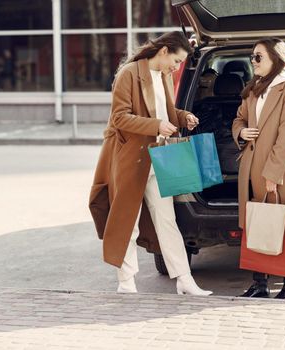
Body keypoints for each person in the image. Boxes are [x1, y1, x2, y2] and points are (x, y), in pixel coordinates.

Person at [88, 31, 212, 296]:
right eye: (176, 61)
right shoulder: (129, 74)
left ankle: (184, 280)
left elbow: (165, 112)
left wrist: (183, 117)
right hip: (131, 159)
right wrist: (156, 125)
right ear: (164, 50)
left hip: (159, 159)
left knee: (167, 221)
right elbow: (119, 118)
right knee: (127, 222)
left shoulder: (164, 76)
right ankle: (126, 281)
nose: (176, 67)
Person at [232, 37, 285, 300]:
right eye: (252, 57)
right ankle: (260, 283)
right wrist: (241, 131)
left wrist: (273, 175)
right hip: (253, 168)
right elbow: (239, 118)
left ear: (276, 57)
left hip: (280, 171)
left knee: (284, 226)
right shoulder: (254, 89)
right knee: (257, 223)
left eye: (258, 57)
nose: (253, 62)